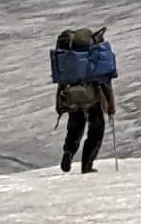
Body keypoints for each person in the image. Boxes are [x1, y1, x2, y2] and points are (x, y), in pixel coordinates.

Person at [50, 24, 116, 172]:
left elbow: (62, 81)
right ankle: (87, 165)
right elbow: (105, 82)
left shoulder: (71, 59)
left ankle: (68, 152)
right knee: (96, 130)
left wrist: (60, 103)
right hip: (92, 97)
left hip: (73, 96)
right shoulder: (95, 56)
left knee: (75, 128)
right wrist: (111, 105)